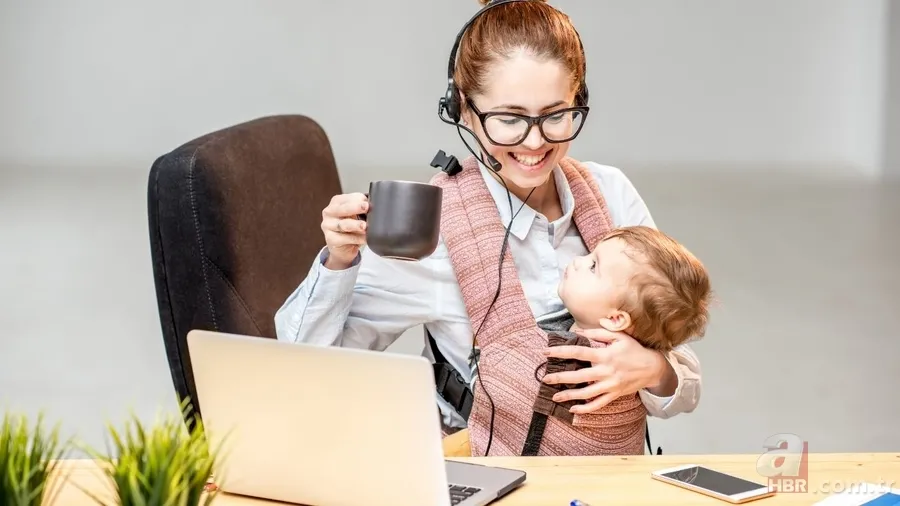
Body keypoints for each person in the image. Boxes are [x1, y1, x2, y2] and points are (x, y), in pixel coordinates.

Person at [275, 0, 703, 457]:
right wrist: (339, 262)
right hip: (485, 476)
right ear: (461, 108)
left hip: (607, 479)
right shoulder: (432, 230)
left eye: (556, 115)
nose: (535, 142)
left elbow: (682, 372)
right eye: (509, 119)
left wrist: (655, 369)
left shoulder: (610, 194)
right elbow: (304, 366)